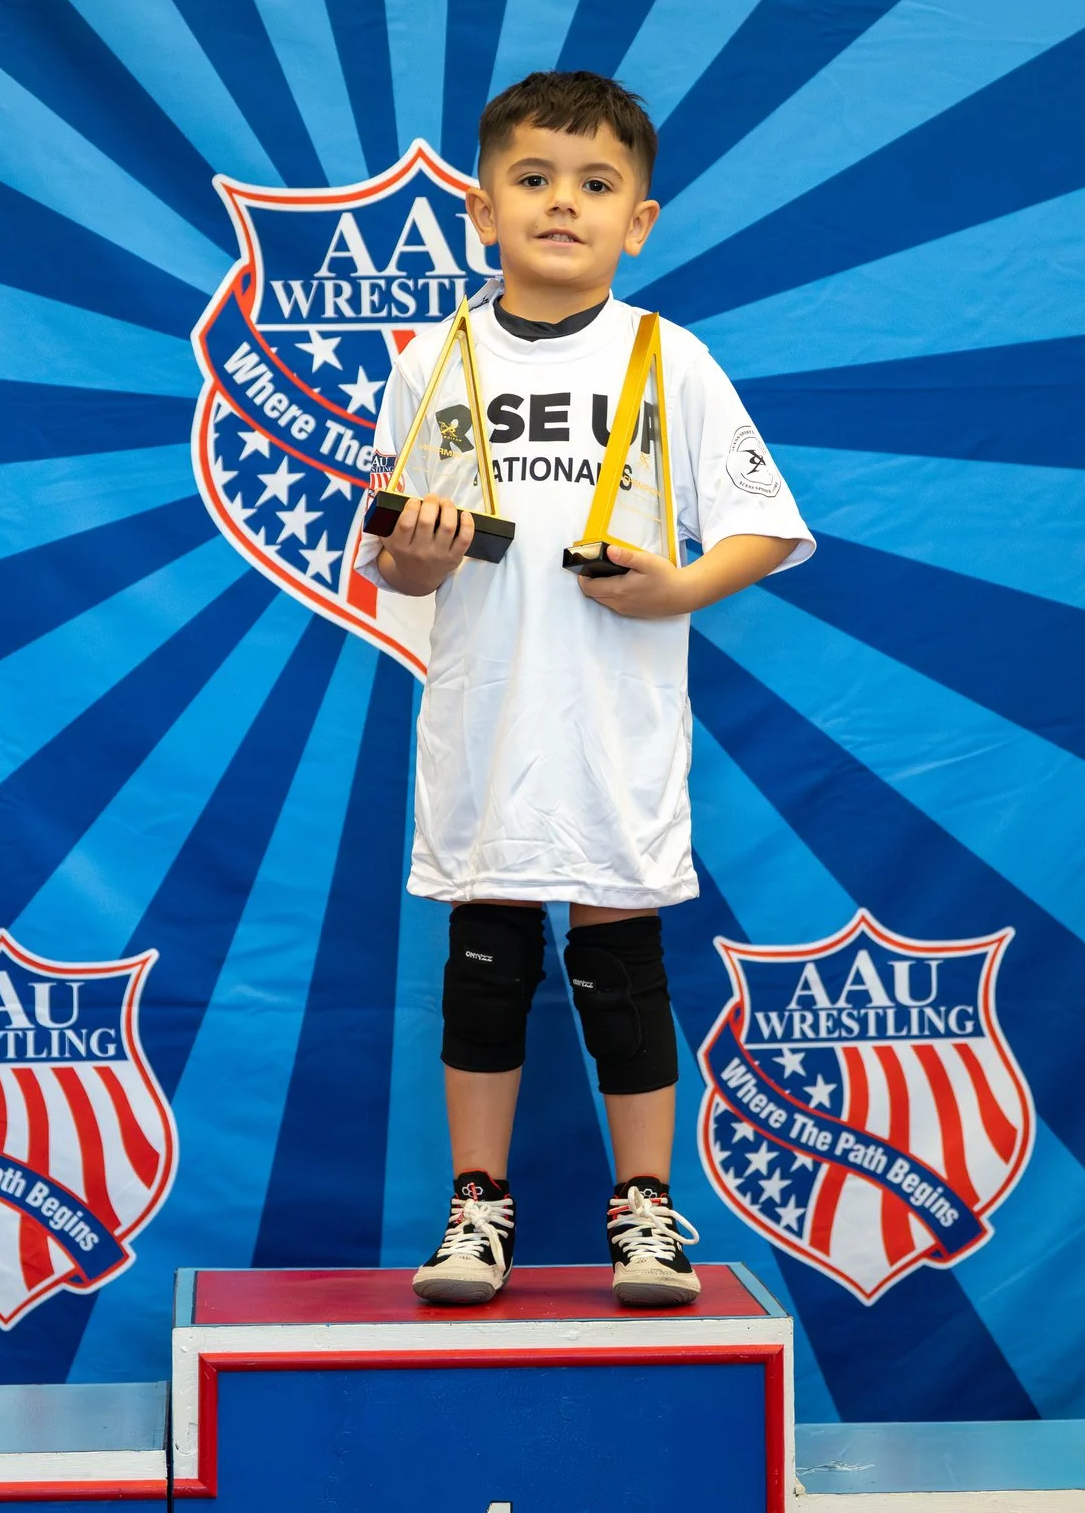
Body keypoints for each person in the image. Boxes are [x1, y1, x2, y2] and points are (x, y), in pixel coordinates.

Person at [356, 72, 813, 1307]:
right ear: (481, 209)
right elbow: (393, 554)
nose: (564, 204)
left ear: (640, 221)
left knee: (623, 959)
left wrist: (673, 591)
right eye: (534, 179)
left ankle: (646, 1210)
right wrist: (421, 548)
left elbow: (763, 528)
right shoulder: (431, 362)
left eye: (596, 185)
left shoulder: (672, 358)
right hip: (485, 712)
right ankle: (477, 1206)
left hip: (616, 719)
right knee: (487, 953)